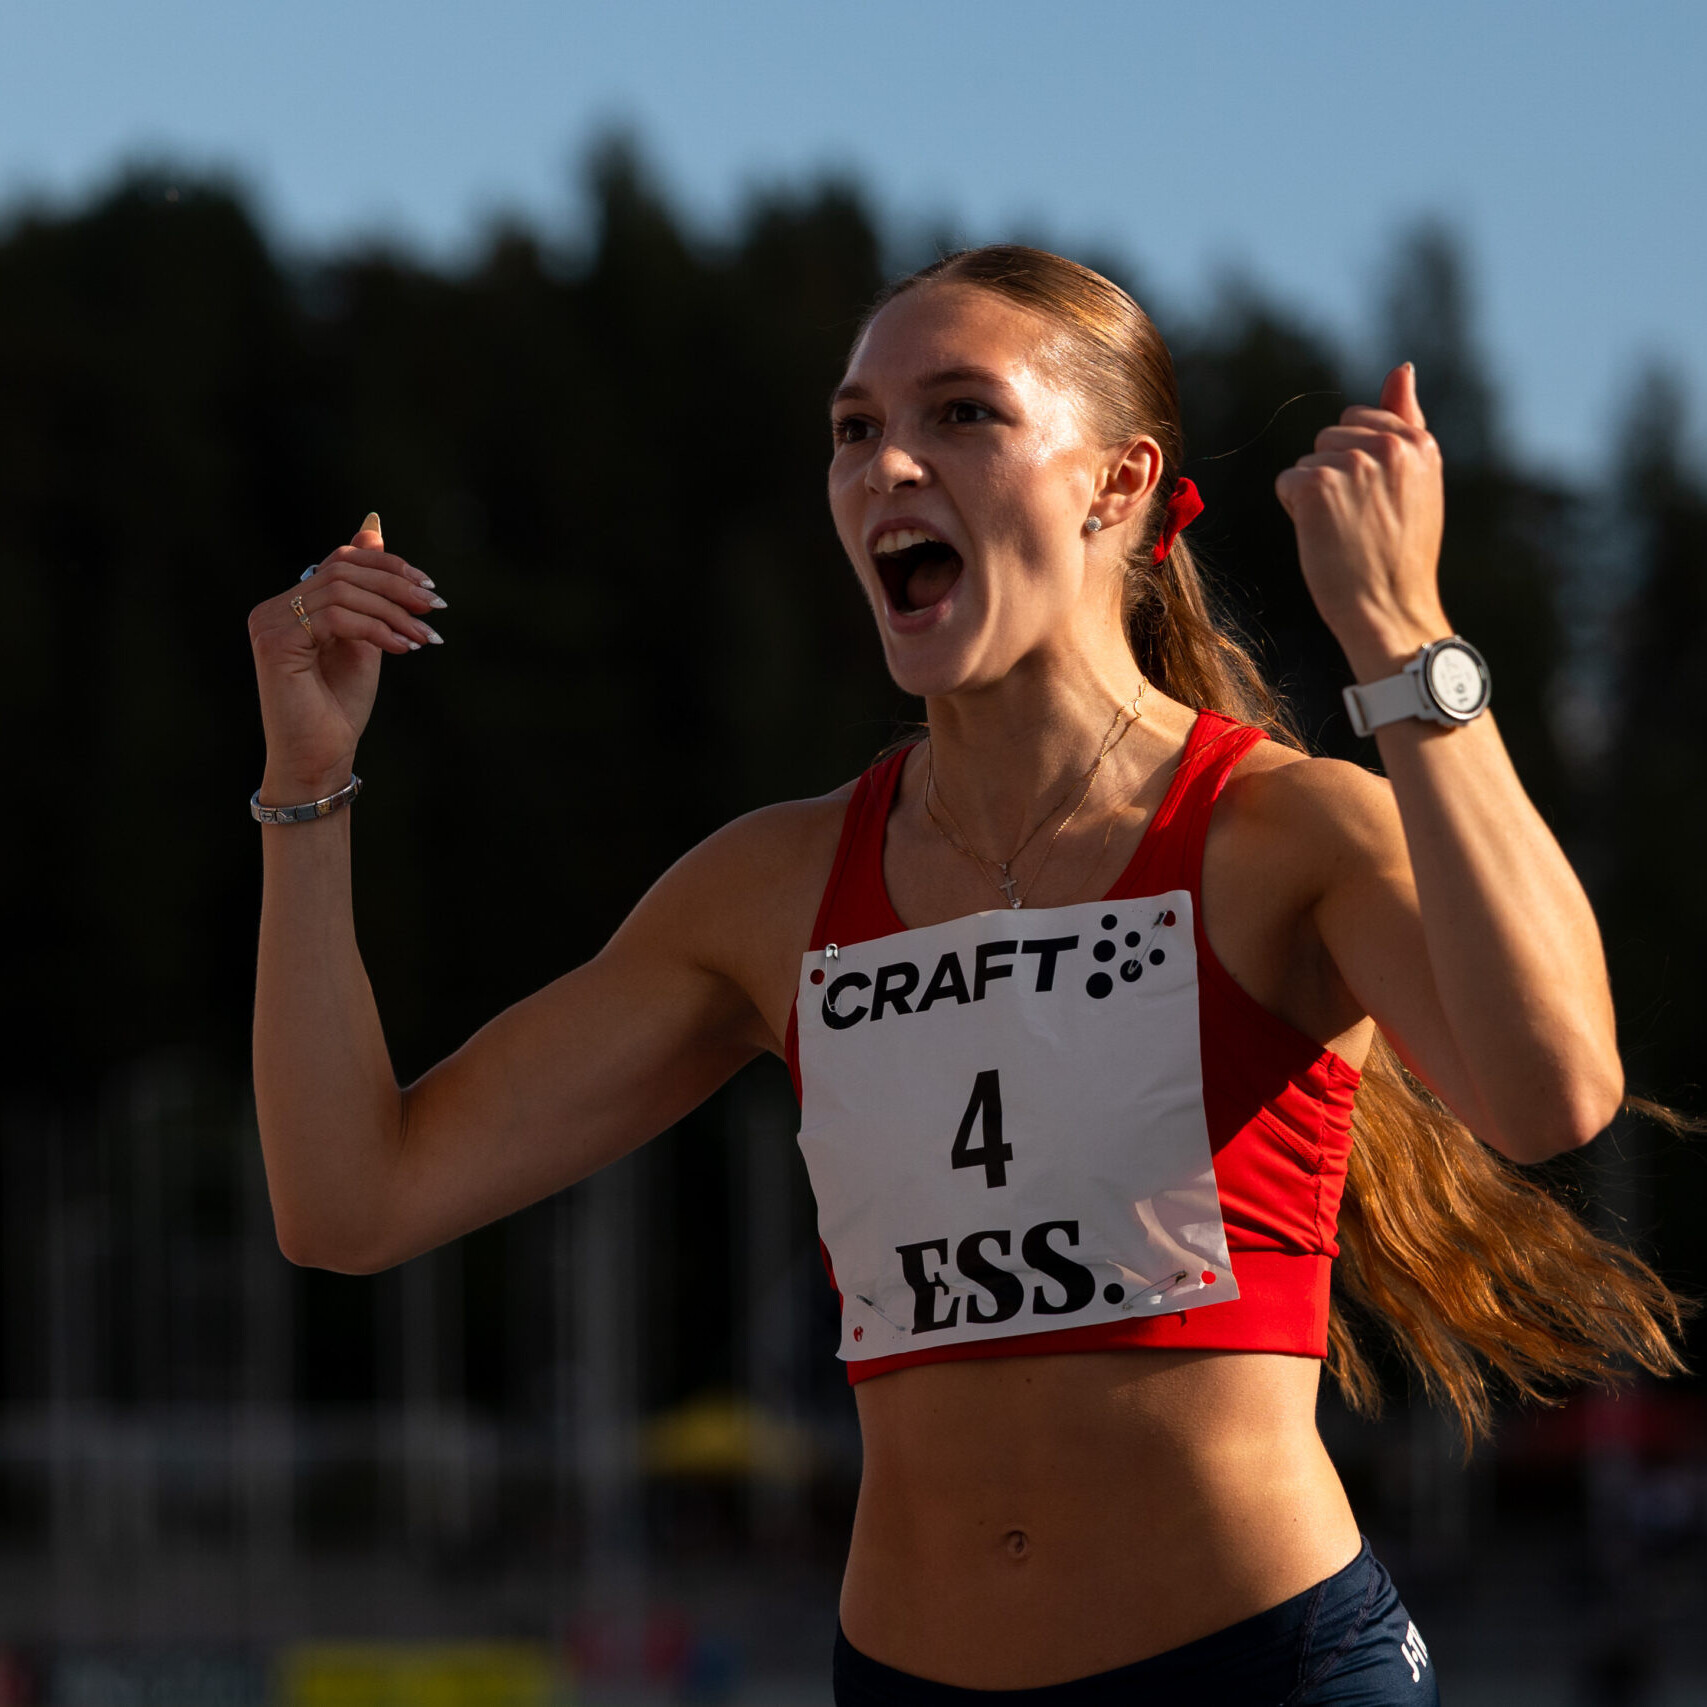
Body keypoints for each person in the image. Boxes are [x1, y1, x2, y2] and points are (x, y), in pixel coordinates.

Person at [248, 245, 1682, 1703]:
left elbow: (1551, 1091)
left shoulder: (1279, 832)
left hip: (1258, 1669)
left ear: (1118, 484)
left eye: (962, 413)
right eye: (855, 429)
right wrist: (305, 787)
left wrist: (1405, 639)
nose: (887, 465)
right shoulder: (770, 889)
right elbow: (352, 1202)